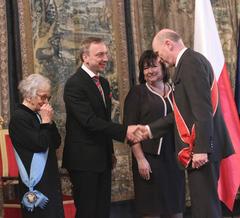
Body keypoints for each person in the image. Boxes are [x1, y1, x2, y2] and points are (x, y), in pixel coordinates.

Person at [144, 29, 234, 218]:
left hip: (200, 150)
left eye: (159, 54)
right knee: (204, 205)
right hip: (199, 147)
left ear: (169, 44)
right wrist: (148, 130)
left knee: (205, 209)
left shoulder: (190, 63)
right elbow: (182, 113)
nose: (160, 60)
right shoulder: (189, 62)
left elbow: (202, 109)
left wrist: (201, 148)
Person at [62, 37, 146, 218]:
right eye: (99, 54)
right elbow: (89, 122)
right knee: (88, 211)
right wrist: (125, 131)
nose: (105, 58)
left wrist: (110, 153)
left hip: (102, 158)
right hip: (83, 161)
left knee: (102, 211)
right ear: (85, 57)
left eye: (106, 54)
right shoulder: (74, 84)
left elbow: (104, 120)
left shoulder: (104, 83)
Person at [123, 50, 185, 218]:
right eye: (145, 68)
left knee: (176, 210)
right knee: (152, 211)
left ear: (164, 67)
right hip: (149, 161)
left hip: (174, 158)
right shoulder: (137, 93)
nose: (149, 71)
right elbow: (131, 130)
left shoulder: (176, 90)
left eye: (153, 66)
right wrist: (140, 159)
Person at [9, 73, 64, 218]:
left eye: (48, 97)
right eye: (42, 97)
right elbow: (40, 145)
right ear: (28, 95)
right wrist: (46, 122)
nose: (46, 102)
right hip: (35, 182)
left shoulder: (39, 115)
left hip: (49, 178)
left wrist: (48, 123)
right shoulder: (19, 118)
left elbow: (56, 142)